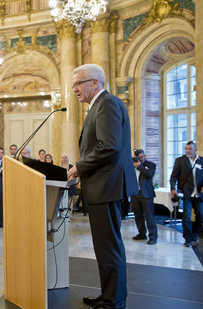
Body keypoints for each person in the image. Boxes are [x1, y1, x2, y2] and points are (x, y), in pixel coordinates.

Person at [67, 64, 138, 309]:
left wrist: (78, 167)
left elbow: (108, 146)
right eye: (73, 84)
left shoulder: (106, 104)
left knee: (109, 247)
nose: (74, 89)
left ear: (95, 83)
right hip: (102, 185)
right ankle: (109, 295)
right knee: (104, 247)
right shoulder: (97, 106)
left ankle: (114, 301)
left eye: (78, 83)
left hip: (107, 186)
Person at [170, 141, 203, 247]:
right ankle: (188, 239)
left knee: (201, 215)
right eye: (186, 148)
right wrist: (173, 188)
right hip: (186, 193)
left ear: (195, 150)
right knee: (187, 216)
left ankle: (194, 234)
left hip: (199, 194)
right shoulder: (180, 160)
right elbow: (174, 176)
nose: (187, 151)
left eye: (190, 149)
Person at [130, 149, 157, 245]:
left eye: (142, 157)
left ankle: (153, 236)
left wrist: (140, 166)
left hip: (146, 194)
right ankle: (142, 234)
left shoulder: (150, 165)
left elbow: (150, 174)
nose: (140, 159)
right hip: (135, 193)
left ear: (145, 155)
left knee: (149, 216)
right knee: (138, 216)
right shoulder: (132, 165)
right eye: (138, 157)